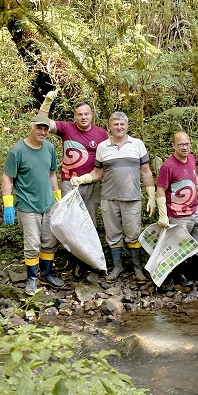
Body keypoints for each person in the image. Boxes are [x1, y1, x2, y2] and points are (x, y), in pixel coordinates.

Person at [70, 112, 156, 283]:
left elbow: (146, 171)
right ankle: (117, 267)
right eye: (116, 124)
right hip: (109, 198)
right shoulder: (103, 147)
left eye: (122, 124)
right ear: (110, 126)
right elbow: (97, 173)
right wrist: (81, 179)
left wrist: (152, 196)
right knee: (113, 235)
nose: (119, 127)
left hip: (132, 198)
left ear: (127, 126)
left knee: (133, 235)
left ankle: (137, 269)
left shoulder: (137, 144)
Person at [38, 92, 109, 277]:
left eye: (86, 114)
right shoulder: (66, 128)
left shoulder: (101, 134)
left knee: (89, 224)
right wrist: (47, 102)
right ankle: (75, 264)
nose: (83, 117)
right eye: (80, 114)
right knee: (71, 224)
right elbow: (41, 122)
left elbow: (107, 160)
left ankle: (89, 262)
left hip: (92, 184)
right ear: (74, 116)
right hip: (70, 184)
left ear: (91, 115)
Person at [2, 114, 65, 295]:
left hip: (49, 204)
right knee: (32, 244)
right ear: (31, 127)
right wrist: (8, 203)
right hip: (28, 205)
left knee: (49, 242)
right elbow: (8, 177)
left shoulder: (49, 148)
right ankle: (32, 279)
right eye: (39, 128)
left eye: (46, 129)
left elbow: (52, 173)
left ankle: (46, 274)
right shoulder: (17, 150)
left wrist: (57, 197)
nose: (43, 132)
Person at [156, 131, 198, 287]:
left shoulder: (191, 158)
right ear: (174, 145)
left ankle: (196, 271)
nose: (184, 147)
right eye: (180, 144)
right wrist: (163, 214)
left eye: (187, 144)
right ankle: (178, 275)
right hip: (178, 214)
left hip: (194, 210)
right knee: (179, 246)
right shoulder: (168, 166)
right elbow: (160, 190)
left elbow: (194, 176)